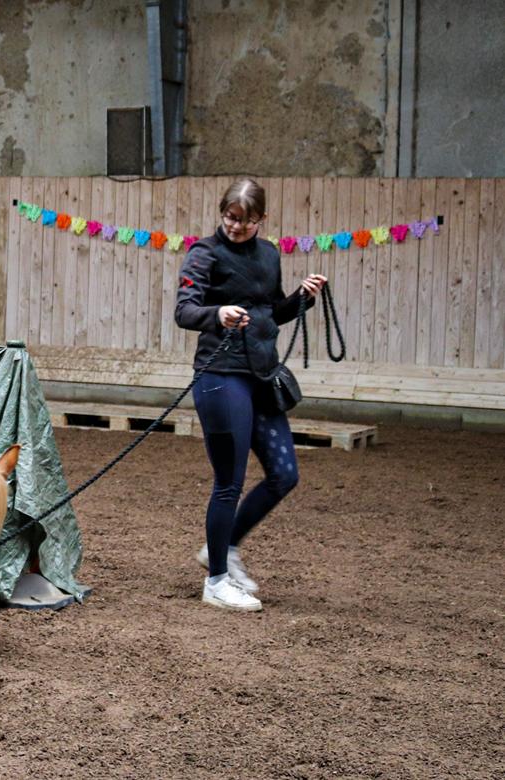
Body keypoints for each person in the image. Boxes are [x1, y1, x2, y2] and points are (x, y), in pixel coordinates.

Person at [175, 178, 326, 611]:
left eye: (245, 220)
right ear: (222, 213)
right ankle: (216, 581)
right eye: (230, 217)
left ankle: (224, 547)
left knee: (285, 473)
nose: (235, 226)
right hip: (220, 376)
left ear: (262, 219)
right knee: (229, 482)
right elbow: (184, 311)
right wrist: (217, 313)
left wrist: (302, 298)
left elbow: (271, 312)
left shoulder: (269, 254)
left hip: (261, 374)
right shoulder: (204, 253)